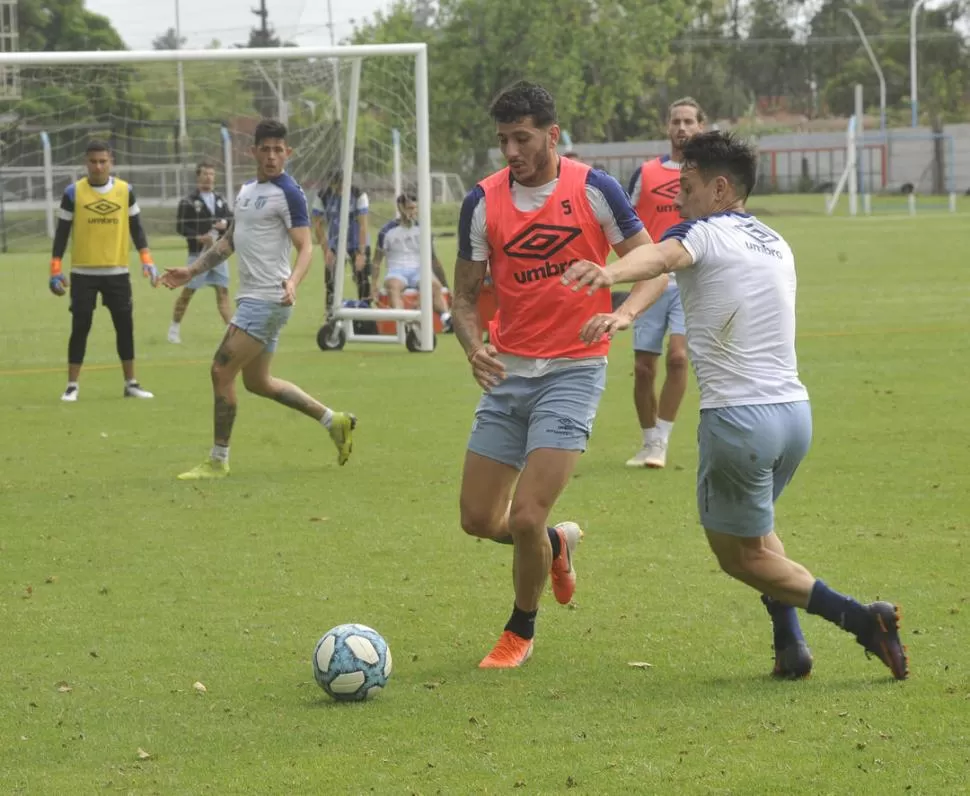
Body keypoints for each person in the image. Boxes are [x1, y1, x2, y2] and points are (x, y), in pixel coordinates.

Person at [561, 131, 908, 681]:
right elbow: (673, 267)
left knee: (739, 557)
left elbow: (661, 255)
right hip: (794, 416)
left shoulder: (705, 232)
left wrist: (609, 272)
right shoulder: (774, 240)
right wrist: (627, 315)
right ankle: (789, 644)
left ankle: (862, 620)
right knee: (760, 536)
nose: (679, 200)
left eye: (689, 187)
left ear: (720, 189)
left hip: (739, 423)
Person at [451, 81, 667, 669]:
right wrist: (473, 347)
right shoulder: (482, 202)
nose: (511, 152)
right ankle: (555, 545)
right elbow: (463, 299)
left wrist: (622, 312)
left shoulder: (593, 190)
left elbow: (655, 267)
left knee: (525, 514)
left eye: (521, 138)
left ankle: (520, 629)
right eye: (502, 141)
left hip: (574, 369)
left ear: (551, 134)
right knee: (478, 520)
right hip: (508, 372)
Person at [159, 119, 357, 479]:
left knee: (221, 370)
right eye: (265, 149)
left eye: (278, 150)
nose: (271, 156)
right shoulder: (247, 190)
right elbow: (230, 241)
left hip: (268, 300)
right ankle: (333, 420)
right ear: (253, 152)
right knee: (257, 382)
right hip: (255, 298)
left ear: (288, 153)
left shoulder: (290, 192)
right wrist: (193, 270)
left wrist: (294, 281)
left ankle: (218, 460)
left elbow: (306, 246)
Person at [624, 97, 705, 469]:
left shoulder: (707, 177)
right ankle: (647, 440)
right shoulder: (645, 174)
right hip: (650, 280)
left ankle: (662, 441)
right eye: (677, 121)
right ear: (666, 127)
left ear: (701, 127)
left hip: (690, 281)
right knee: (643, 368)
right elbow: (623, 221)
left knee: (678, 357)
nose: (683, 128)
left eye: (690, 121)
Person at [49, 139, 157, 402]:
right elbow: (61, 234)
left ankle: (131, 383)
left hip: (117, 273)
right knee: (80, 326)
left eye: (103, 161)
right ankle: (72, 385)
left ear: (111, 162)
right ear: (86, 163)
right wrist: (55, 269)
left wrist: (147, 259)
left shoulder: (125, 190)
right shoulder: (73, 193)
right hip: (83, 274)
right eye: (93, 161)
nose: (98, 166)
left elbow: (136, 228)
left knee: (125, 327)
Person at [168, 161, 234, 344]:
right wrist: (197, 237)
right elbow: (181, 227)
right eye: (205, 174)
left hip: (219, 255)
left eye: (212, 174)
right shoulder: (188, 201)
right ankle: (174, 329)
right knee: (188, 292)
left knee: (223, 292)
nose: (209, 177)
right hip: (198, 255)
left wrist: (226, 225)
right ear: (198, 176)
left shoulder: (220, 199)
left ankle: (231, 331)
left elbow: (231, 219)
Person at [372, 193, 452, 332]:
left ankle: (446, 319)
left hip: (418, 270)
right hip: (396, 270)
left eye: (415, 208)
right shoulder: (386, 231)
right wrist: (373, 284)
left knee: (434, 286)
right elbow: (377, 260)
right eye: (409, 208)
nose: (413, 212)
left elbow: (433, 259)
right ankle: (404, 323)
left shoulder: (423, 229)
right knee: (393, 287)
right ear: (400, 208)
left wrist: (446, 285)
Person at [312, 168, 371, 308]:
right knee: (331, 282)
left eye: (342, 184)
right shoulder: (322, 196)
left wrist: (361, 253)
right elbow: (318, 226)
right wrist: (327, 250)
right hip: (335, 244)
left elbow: (363, 225)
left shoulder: (359, 195)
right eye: (336, 185)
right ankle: (330, 315)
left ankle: (366, 315)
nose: (340, 189)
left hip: (358, 243)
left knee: (362, 280)